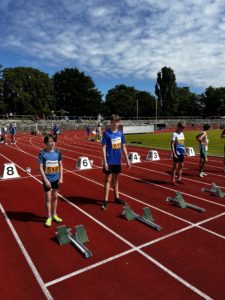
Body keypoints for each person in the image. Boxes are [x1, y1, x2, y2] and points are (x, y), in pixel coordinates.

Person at [101, 114, 131, 210]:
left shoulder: (120, 133)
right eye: (113, 122)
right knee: (107, 180)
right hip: (109, 160)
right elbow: (103, 148)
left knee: (116, 179)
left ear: (119, 123)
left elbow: (124, 147)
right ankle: (105, 201)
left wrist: (127, 160)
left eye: (117, 122)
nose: (115, 123)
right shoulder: (106, 133)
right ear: (111, 122)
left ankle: (116, 197)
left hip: (117, 160)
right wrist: (105, 161)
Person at [38, 134, 63, 227]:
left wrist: (61, 177)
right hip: (47, 179)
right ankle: (48, 217)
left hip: (56, 179)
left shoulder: (58, 152)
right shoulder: (42, 153)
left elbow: (60, 164)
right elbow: (40, 167)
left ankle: (54, 215)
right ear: (46, 143)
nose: (53, 143)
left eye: (53, 141)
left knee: (55, 197)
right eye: (50, 141)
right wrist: (45, 180)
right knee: (48, 198)